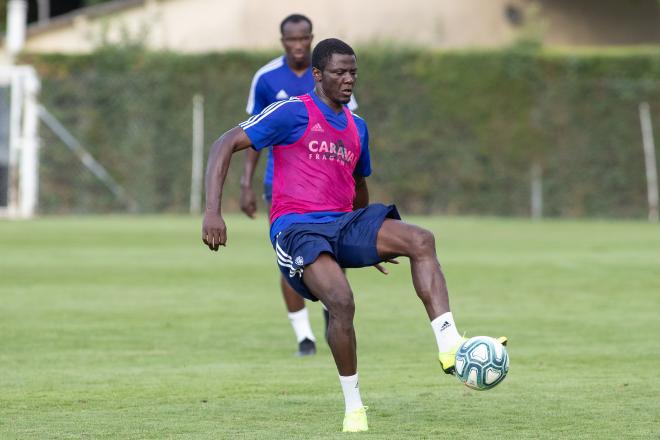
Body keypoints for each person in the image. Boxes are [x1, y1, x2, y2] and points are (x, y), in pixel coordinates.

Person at [202, 38, 507, 433]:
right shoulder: (292, 112)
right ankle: (354, 406)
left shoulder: (358, 128)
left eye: (353, 73)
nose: (348, 80)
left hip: (344, 223)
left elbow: (358, 187)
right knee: (341, 301)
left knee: (421, 240)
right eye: (339, 73)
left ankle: (449, 346)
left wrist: (370, 240)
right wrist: (212, 210)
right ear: (317, 75)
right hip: (296, 228)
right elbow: (224, 143)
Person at [241, 14, 357, 357]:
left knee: (336, 257)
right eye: (291, 40)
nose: (298, 45)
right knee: (290, 260)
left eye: (304, 38)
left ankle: (331, 313)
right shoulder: (266, 78)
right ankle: (304, 337)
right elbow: (253, 134)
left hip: (330, 188)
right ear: (282, 42)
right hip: (281, 186)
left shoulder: (333, 70)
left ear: (311, 38)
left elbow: (348, 129)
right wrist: (246, 184)